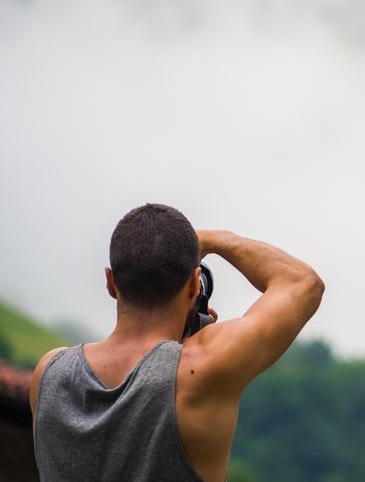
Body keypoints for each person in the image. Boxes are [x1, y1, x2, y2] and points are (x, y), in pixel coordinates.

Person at [29, 203, 325, 482]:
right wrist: (214, 239)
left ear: (110, 282)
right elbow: (302, 283)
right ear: (196, 284)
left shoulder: (48, 372)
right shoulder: (200, 370)